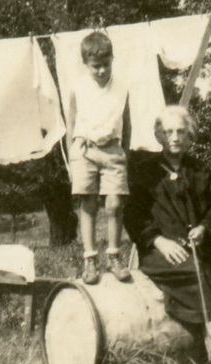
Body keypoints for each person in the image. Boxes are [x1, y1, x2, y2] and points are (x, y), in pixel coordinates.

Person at [123, 105, 211, 356]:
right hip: (160, 255)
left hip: (196, 249)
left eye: (181, 132)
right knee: (199, 275)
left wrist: (204, 228)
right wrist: (159, 241)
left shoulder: (199, 170)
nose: (174, 137)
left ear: (190, 136)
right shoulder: (145, 172)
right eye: (168, 132)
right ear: (159, 136)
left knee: (210, 276)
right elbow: (133, 215)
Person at [67, 31, 131, 285]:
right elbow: (71, 122)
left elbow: (127, 122)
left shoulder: (122, 86)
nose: (102, 71)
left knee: (114, 204)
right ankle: (90, 260)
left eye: (106, 64)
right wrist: (73, 154)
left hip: (113, 150)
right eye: (96, 66)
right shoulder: (79, 86)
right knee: (88, 204)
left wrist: (123, 151)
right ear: (86, 65)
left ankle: (114, 255)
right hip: (84, 150)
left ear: (112, 60)